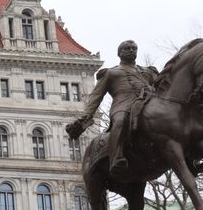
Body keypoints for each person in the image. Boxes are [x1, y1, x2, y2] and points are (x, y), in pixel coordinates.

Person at [66, 40, 158, 174]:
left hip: (146, 104)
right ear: (120, 53)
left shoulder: (147, 72)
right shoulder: (111, 73)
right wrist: (87, 115)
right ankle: (117, 156)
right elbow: (96, 96)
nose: (132, 50)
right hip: (123, 106)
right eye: (128, 48)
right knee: (120, 121)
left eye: (134, 48)